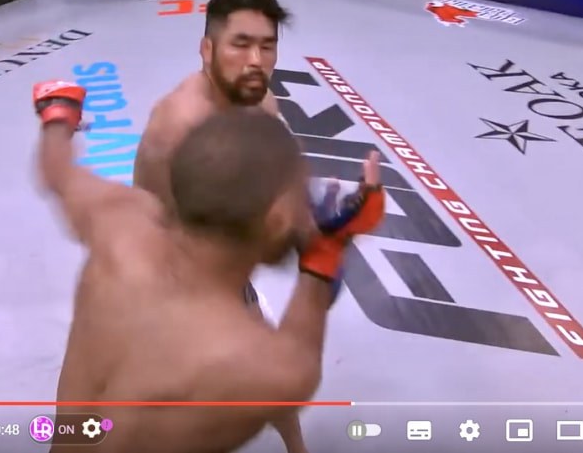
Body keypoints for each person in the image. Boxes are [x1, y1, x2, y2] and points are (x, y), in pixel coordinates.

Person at [31, 80, 384, 453]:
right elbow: (301, 344)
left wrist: (59, 113)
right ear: (277, 218)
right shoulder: (265, 365)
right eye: (301, 198)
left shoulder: (120, 225)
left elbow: (58, 171)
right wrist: (329, 247)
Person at [131, 0, 384, 452]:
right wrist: (311, 242)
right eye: (241, 44)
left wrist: (337, 214)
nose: (256, 60)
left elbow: (280, 172)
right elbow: (205, 233)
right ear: (207, 50)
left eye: (267, 46)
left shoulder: (259, 100)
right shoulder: (178, 127)